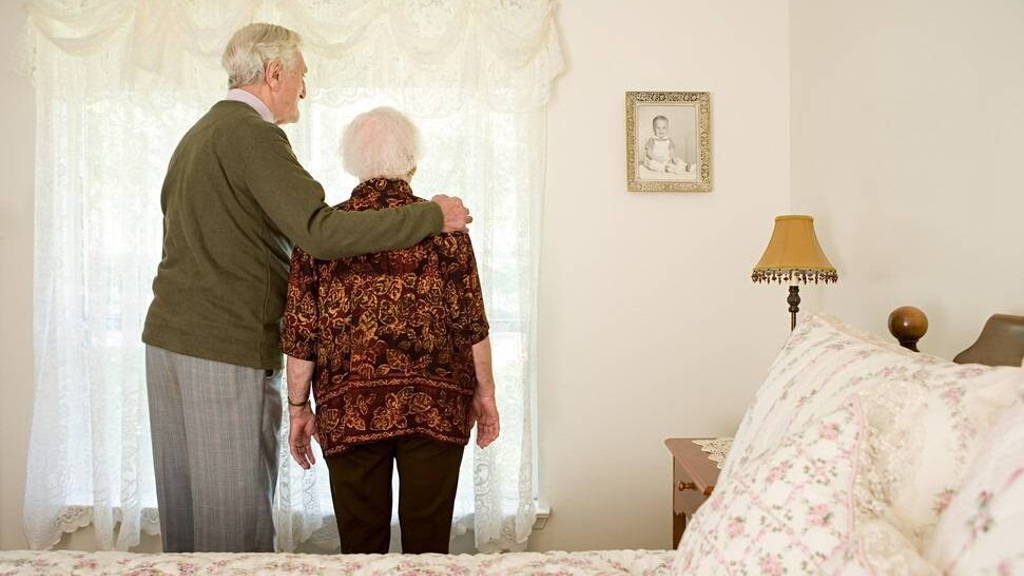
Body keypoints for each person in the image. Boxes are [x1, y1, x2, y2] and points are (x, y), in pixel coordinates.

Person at [142, 24, 472, 553]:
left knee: (185, 523)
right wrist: (431, 215)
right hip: (220, 344)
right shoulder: (251, 134)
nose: (304, 89)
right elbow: (321, 232)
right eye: (301, 75)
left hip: (168, 340)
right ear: (274, 73)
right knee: (235, 527)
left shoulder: (200, 134)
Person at [281, 107, 500, 554]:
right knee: (428, 546)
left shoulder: (322, 233)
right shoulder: (445, 225)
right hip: (436, 405)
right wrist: (486, 394)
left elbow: (301, 334)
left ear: (352, 162)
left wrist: (298, 407)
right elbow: (471, 320)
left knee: (360, 549)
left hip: (349, 407)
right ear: (411, 161)